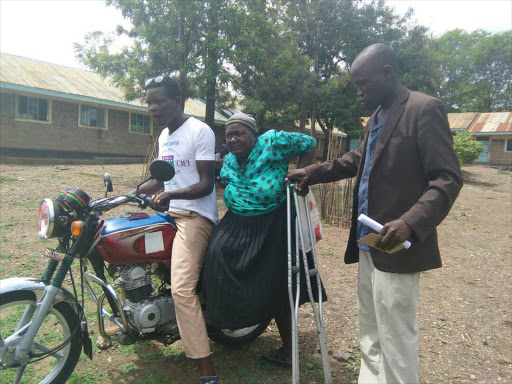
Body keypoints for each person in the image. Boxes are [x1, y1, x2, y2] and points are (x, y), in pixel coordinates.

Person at [287, 43, 463, 384]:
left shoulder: (423, 109)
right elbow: (357, 160)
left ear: (387, 73)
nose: (359, 92)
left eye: (362, 83)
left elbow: (447, 177)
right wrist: (313, 172)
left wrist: (411, 223)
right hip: (368, 241)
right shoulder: (378, 117)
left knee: (396, 335)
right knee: (369, 328)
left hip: (396, 243)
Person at [201, 112, 324, 366]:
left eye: (239, 133)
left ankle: (290, 351)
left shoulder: (272, 141)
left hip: (273, 224)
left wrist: (303, 172)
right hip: (237, 222)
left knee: (278, 284)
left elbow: (309, 144)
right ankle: (235, 323)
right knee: (214, 259)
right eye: (229, 135)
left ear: (254, 135)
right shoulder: (229, 163)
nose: (233, 139)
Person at [138, 75, 221, 384]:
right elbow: (162, 177)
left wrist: (171, 195)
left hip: (195, 217)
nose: (153, 107)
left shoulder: (199, 131)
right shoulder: (164, 137)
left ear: (177, 101)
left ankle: (208, 373)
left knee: (182, 290)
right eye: (149, 102)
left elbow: (205, 183)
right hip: (169, 213)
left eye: (159, 101)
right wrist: (136, 191)